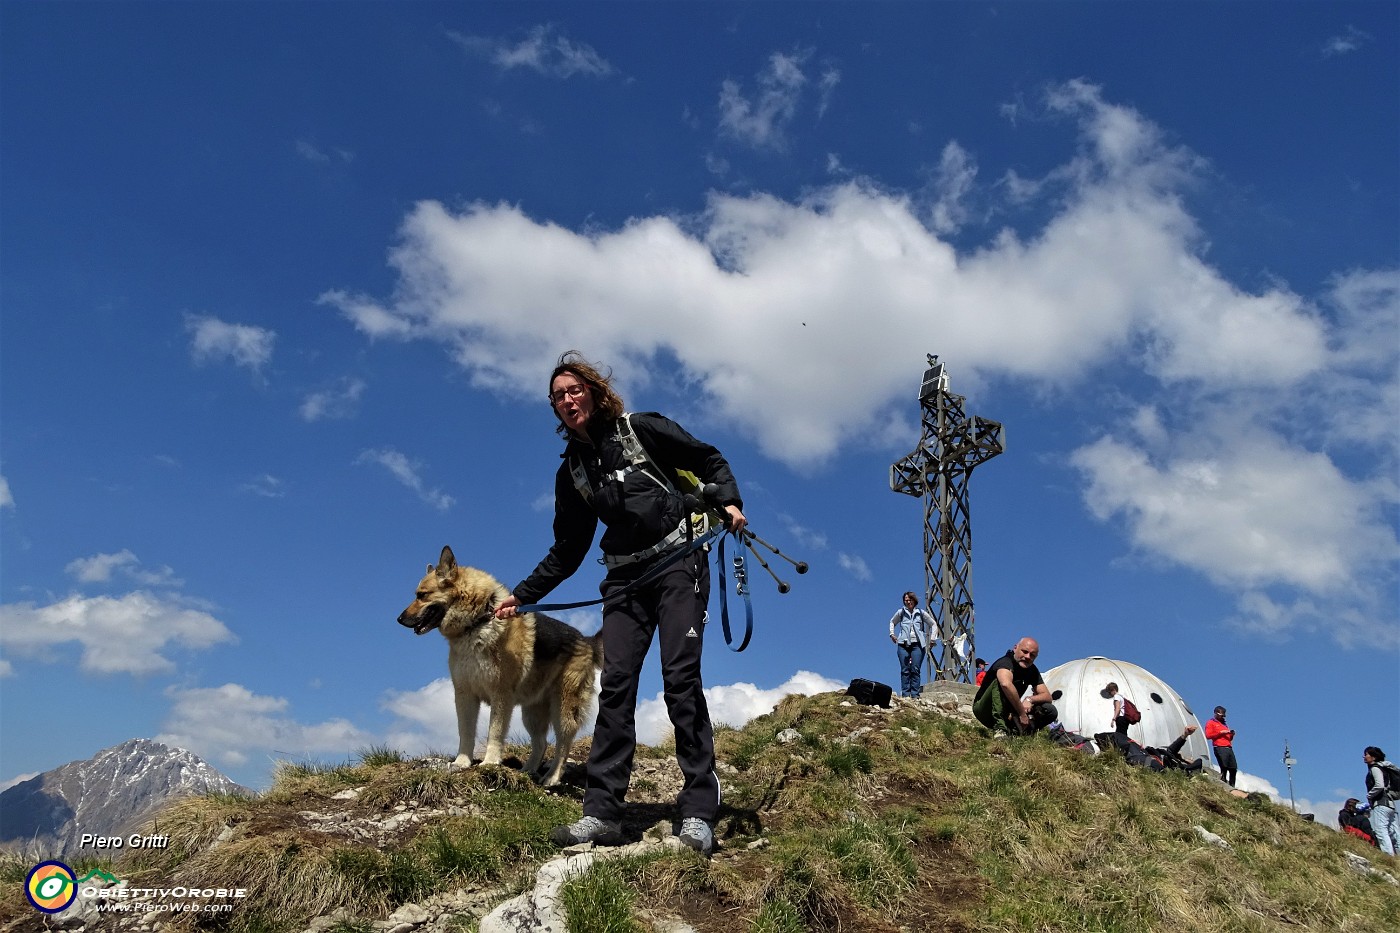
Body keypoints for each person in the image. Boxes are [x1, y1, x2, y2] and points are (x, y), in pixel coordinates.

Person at [494, 351, 747, 857]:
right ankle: (602, 813)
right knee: (616, 688)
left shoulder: (642, 429)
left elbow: (707, 457)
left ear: (593, 391)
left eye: (574, 390)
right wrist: (521, 596)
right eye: (558, 397)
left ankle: (698, 811)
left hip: (680, 563)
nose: (567, 400)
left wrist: (728, 500)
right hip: (625, 579)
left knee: (680, 680)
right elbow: (568, 548)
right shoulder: (573, 473)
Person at [971, 637, 1058, 735]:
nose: (1028, 656)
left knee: (1050, 710)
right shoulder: (1005, 662)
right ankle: (1000, 730)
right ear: (1015, 648)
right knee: (1000, 683)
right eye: (1025, 652)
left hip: (1010, 711)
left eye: (1032, 655)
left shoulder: (1032, 670)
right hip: (985, 710)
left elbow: (1047, 696)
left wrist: (1030, 700)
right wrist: (1022, 713)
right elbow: (1005, 684)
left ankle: (1024, 733)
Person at [889, 592, 933, 699]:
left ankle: (915, 695)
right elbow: (892, 622)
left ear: (914, 600)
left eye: (910, 599)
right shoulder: (901, 612)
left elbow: (933, 624)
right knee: (905, 669)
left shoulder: (921, 613)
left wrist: (932, 639)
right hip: (903, 643)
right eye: (906, 600)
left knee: (915, 669)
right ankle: (905, 694)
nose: (908, 602)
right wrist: (892, 634)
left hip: (917, 644)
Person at [1363, 746, 1400, 856]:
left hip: (1380, 803)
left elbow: (1379, 785)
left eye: (1366, 754)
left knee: (1381, 830)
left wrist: (1369, 795)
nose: (1364, 757)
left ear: (1373, 757)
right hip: (1390, 804)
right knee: (1394, 832)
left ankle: (1388, 856)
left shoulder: (1375, 768)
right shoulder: (1385, 769)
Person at [1204, 706, 1238, 786]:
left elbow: (1229, 738)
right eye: (1221, 715)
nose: (1222, 717)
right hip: (1220, 747)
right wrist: (1220, 733)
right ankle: (1223, 784)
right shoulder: (1211, 722)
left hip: (1228, 747)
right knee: (1224, 767)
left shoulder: (1224, 724)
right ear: (1216, 713)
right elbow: (1208, 735)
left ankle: (1232, 786)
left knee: (1233, 768)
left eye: (1223, 715)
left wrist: (1231, 734)